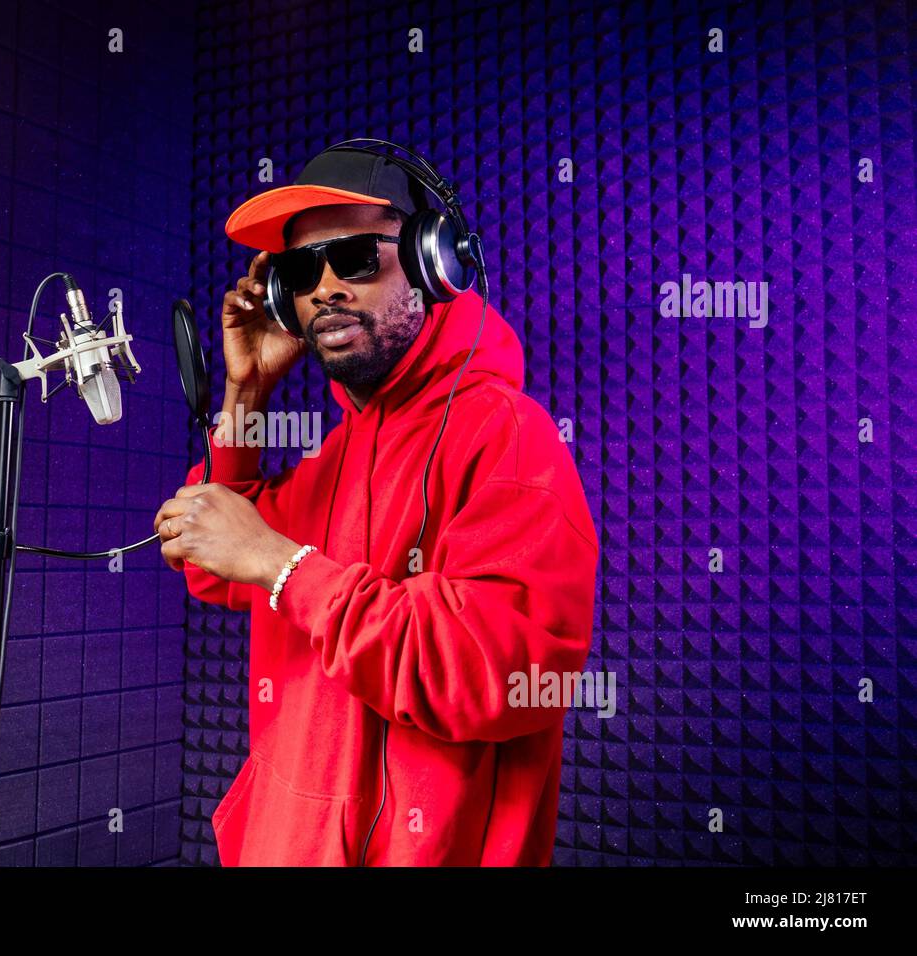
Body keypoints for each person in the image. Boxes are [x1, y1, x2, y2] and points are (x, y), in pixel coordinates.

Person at [152, 146, 599, 866]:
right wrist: (247, 397)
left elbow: (492, 680)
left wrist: (282, 565)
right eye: (302, 272)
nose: (326, 288)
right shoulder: (336, 455)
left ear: (433, 263)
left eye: (356, 258)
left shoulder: (510, 438)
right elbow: (214, 568)